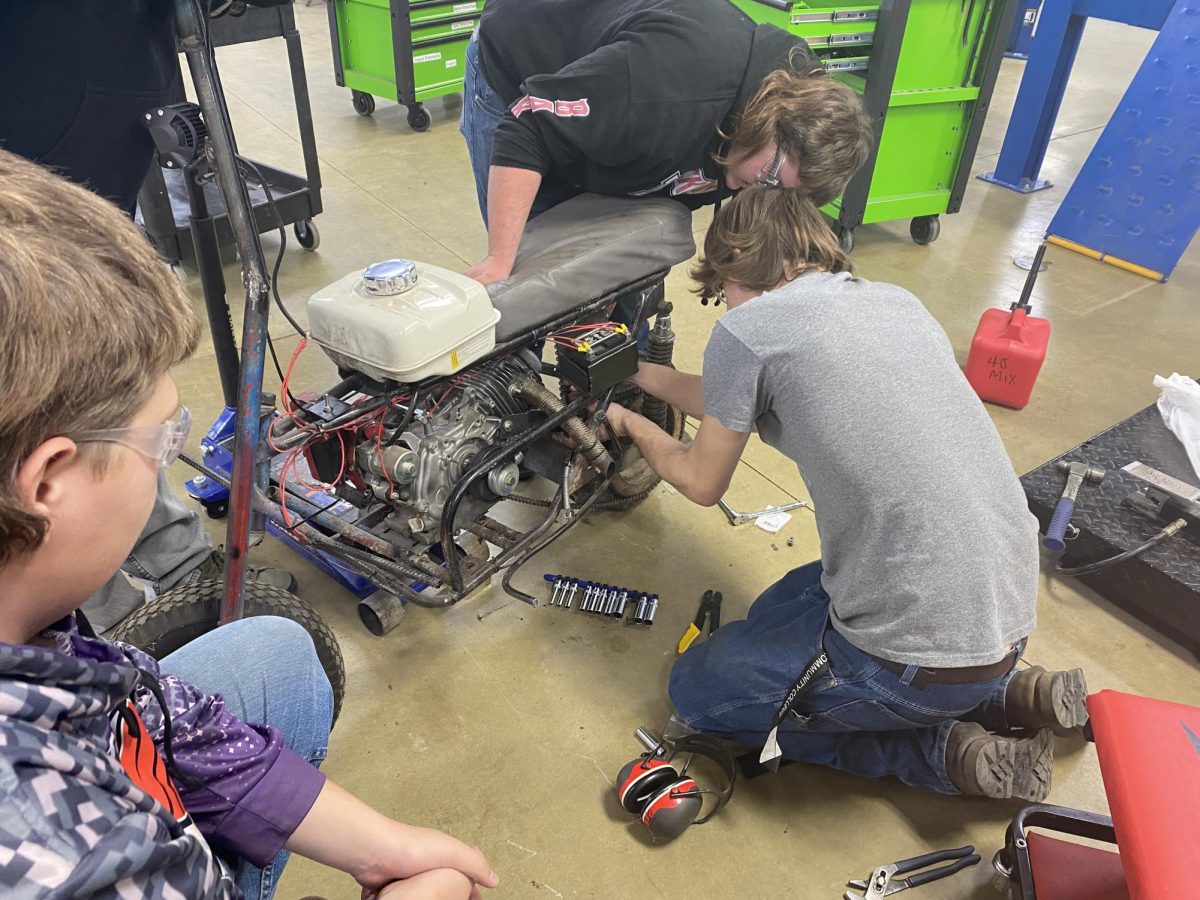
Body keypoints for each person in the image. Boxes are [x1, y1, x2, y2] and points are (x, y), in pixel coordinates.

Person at [0, 149, 500, 900]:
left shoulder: (31, 629)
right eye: (162, 440)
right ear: (48, 481)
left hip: (104, 766)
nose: (169, 460)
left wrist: (380, 847)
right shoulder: (60, 857)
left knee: (275, 655)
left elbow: (153, 705)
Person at [602, 187, 1089, 801]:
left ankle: (942, 754)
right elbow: (730, 405)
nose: (720, 299)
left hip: (912, 661)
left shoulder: (749, 328)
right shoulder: (896, 302)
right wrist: (637, 371)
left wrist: (628, 422)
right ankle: (1016, 689)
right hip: (1004, 617)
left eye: (720, 283)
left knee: (697, 692)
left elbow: (702, 482)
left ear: (739, 262)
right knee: (778, 605)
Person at [0, 0, 297, 637]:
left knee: (123, 396)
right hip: (28, 145)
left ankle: (175, 562)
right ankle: (93, 617)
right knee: (45, 409)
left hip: (103, 113)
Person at [460, 0, 873, 286]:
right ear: (768, 121)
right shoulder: (666, 90)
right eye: (768, 178)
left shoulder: (791, 114)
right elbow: (529, 126)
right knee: (529, 278)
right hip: (520, 67)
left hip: (622, 104)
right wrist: (500, 261)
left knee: (616, 292)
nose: (762, 195)